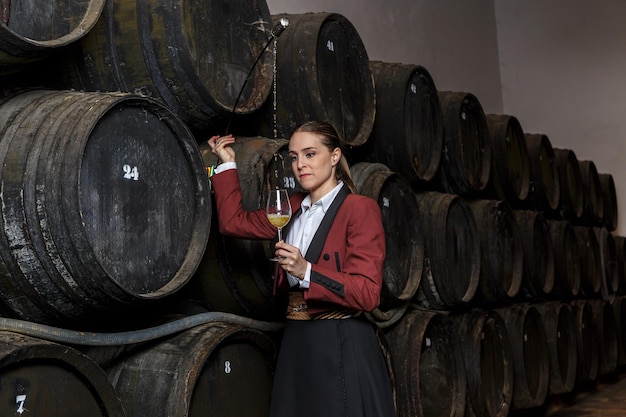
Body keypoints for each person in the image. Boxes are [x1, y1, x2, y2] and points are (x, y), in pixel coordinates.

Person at [207, 120, 396, 417]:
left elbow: (368, 293)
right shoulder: (290, 206)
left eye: (310, 154)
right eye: (294, 157)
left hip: (340, 339)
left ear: (334, 157)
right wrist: (229, 164)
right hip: (297, 337)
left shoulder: (358, 208)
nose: (300, 165)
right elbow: (233, 223)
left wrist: (307, 271)